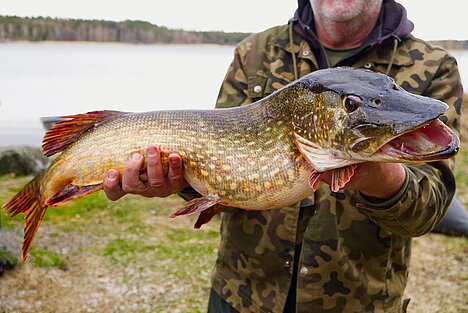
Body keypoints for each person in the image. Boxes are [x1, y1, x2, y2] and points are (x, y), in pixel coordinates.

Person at [103, 0, 463, 312]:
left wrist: (377, 174)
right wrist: (173, 181)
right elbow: (214, 169)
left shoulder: (433, 66)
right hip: (243, 294)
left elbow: (428, 213)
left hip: (357, 302)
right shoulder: (255, 52)